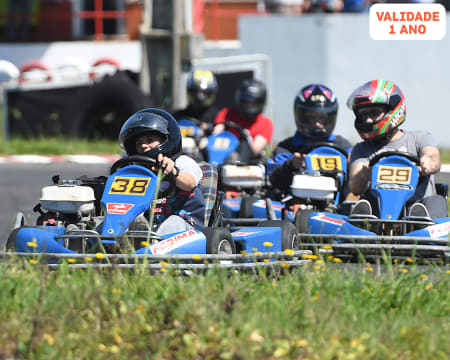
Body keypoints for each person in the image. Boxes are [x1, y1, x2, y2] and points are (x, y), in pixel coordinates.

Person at [347, 79, 447, 219]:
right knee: (366, 202)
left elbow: (432, 156)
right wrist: (364, 174)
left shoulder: (419, 138)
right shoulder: (362, 149)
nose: (368, 120)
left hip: (418, 209)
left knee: (437, 201)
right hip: (378, 212)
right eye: (364, 115)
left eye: (374, 113)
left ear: (393, 110)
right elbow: (355, 186)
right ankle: (365, 224)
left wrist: (427, 162)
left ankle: (424, 226)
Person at [118, 108, 206, 235]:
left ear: (166, 140)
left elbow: (190, 183)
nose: (143, 146)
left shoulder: (182, 162)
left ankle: (148, 243)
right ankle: (92, 241)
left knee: (174, 222)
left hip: (187, 227)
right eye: (139, 143)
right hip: (149, 227)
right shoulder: (138, 170)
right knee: (118, 221)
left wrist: (172, 172)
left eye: (149, 140)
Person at [268, 83, 352, 192]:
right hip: (295, 204)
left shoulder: (343, 145)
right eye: (311, 118)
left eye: (322, 118)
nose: (317, 124)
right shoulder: (286, 148)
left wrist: (351, 167)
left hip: (336, 204)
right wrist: (292, 165)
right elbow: (273, 178)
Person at [213, 78, 274, 160]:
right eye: (246, 101)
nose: (249, 105)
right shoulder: (226, 114)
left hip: (246, 164)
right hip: (220, 155)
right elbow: (215, 135)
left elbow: (254, 150)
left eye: (253, 102)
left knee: (243, 146)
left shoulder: (266, 124)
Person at [172, 70, 219, 134]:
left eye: (205, 93)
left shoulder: (218, 118)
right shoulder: (178, 117)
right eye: (196, 91)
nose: (200, 96)